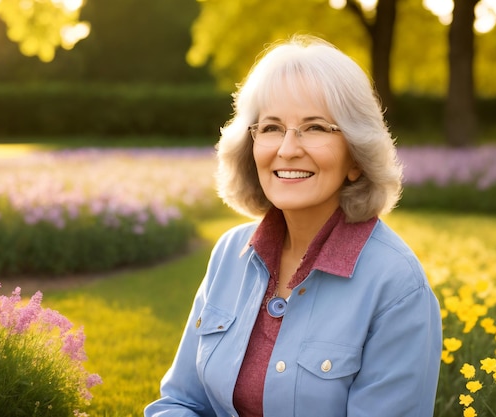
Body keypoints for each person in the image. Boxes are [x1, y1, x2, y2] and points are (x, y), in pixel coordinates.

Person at [145, 34, 442, 417]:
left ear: (356, 157)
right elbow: (181, 402)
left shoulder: (396, 285)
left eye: (315, 127)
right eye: (270, 128)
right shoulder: (229, 254)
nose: (287, 149)